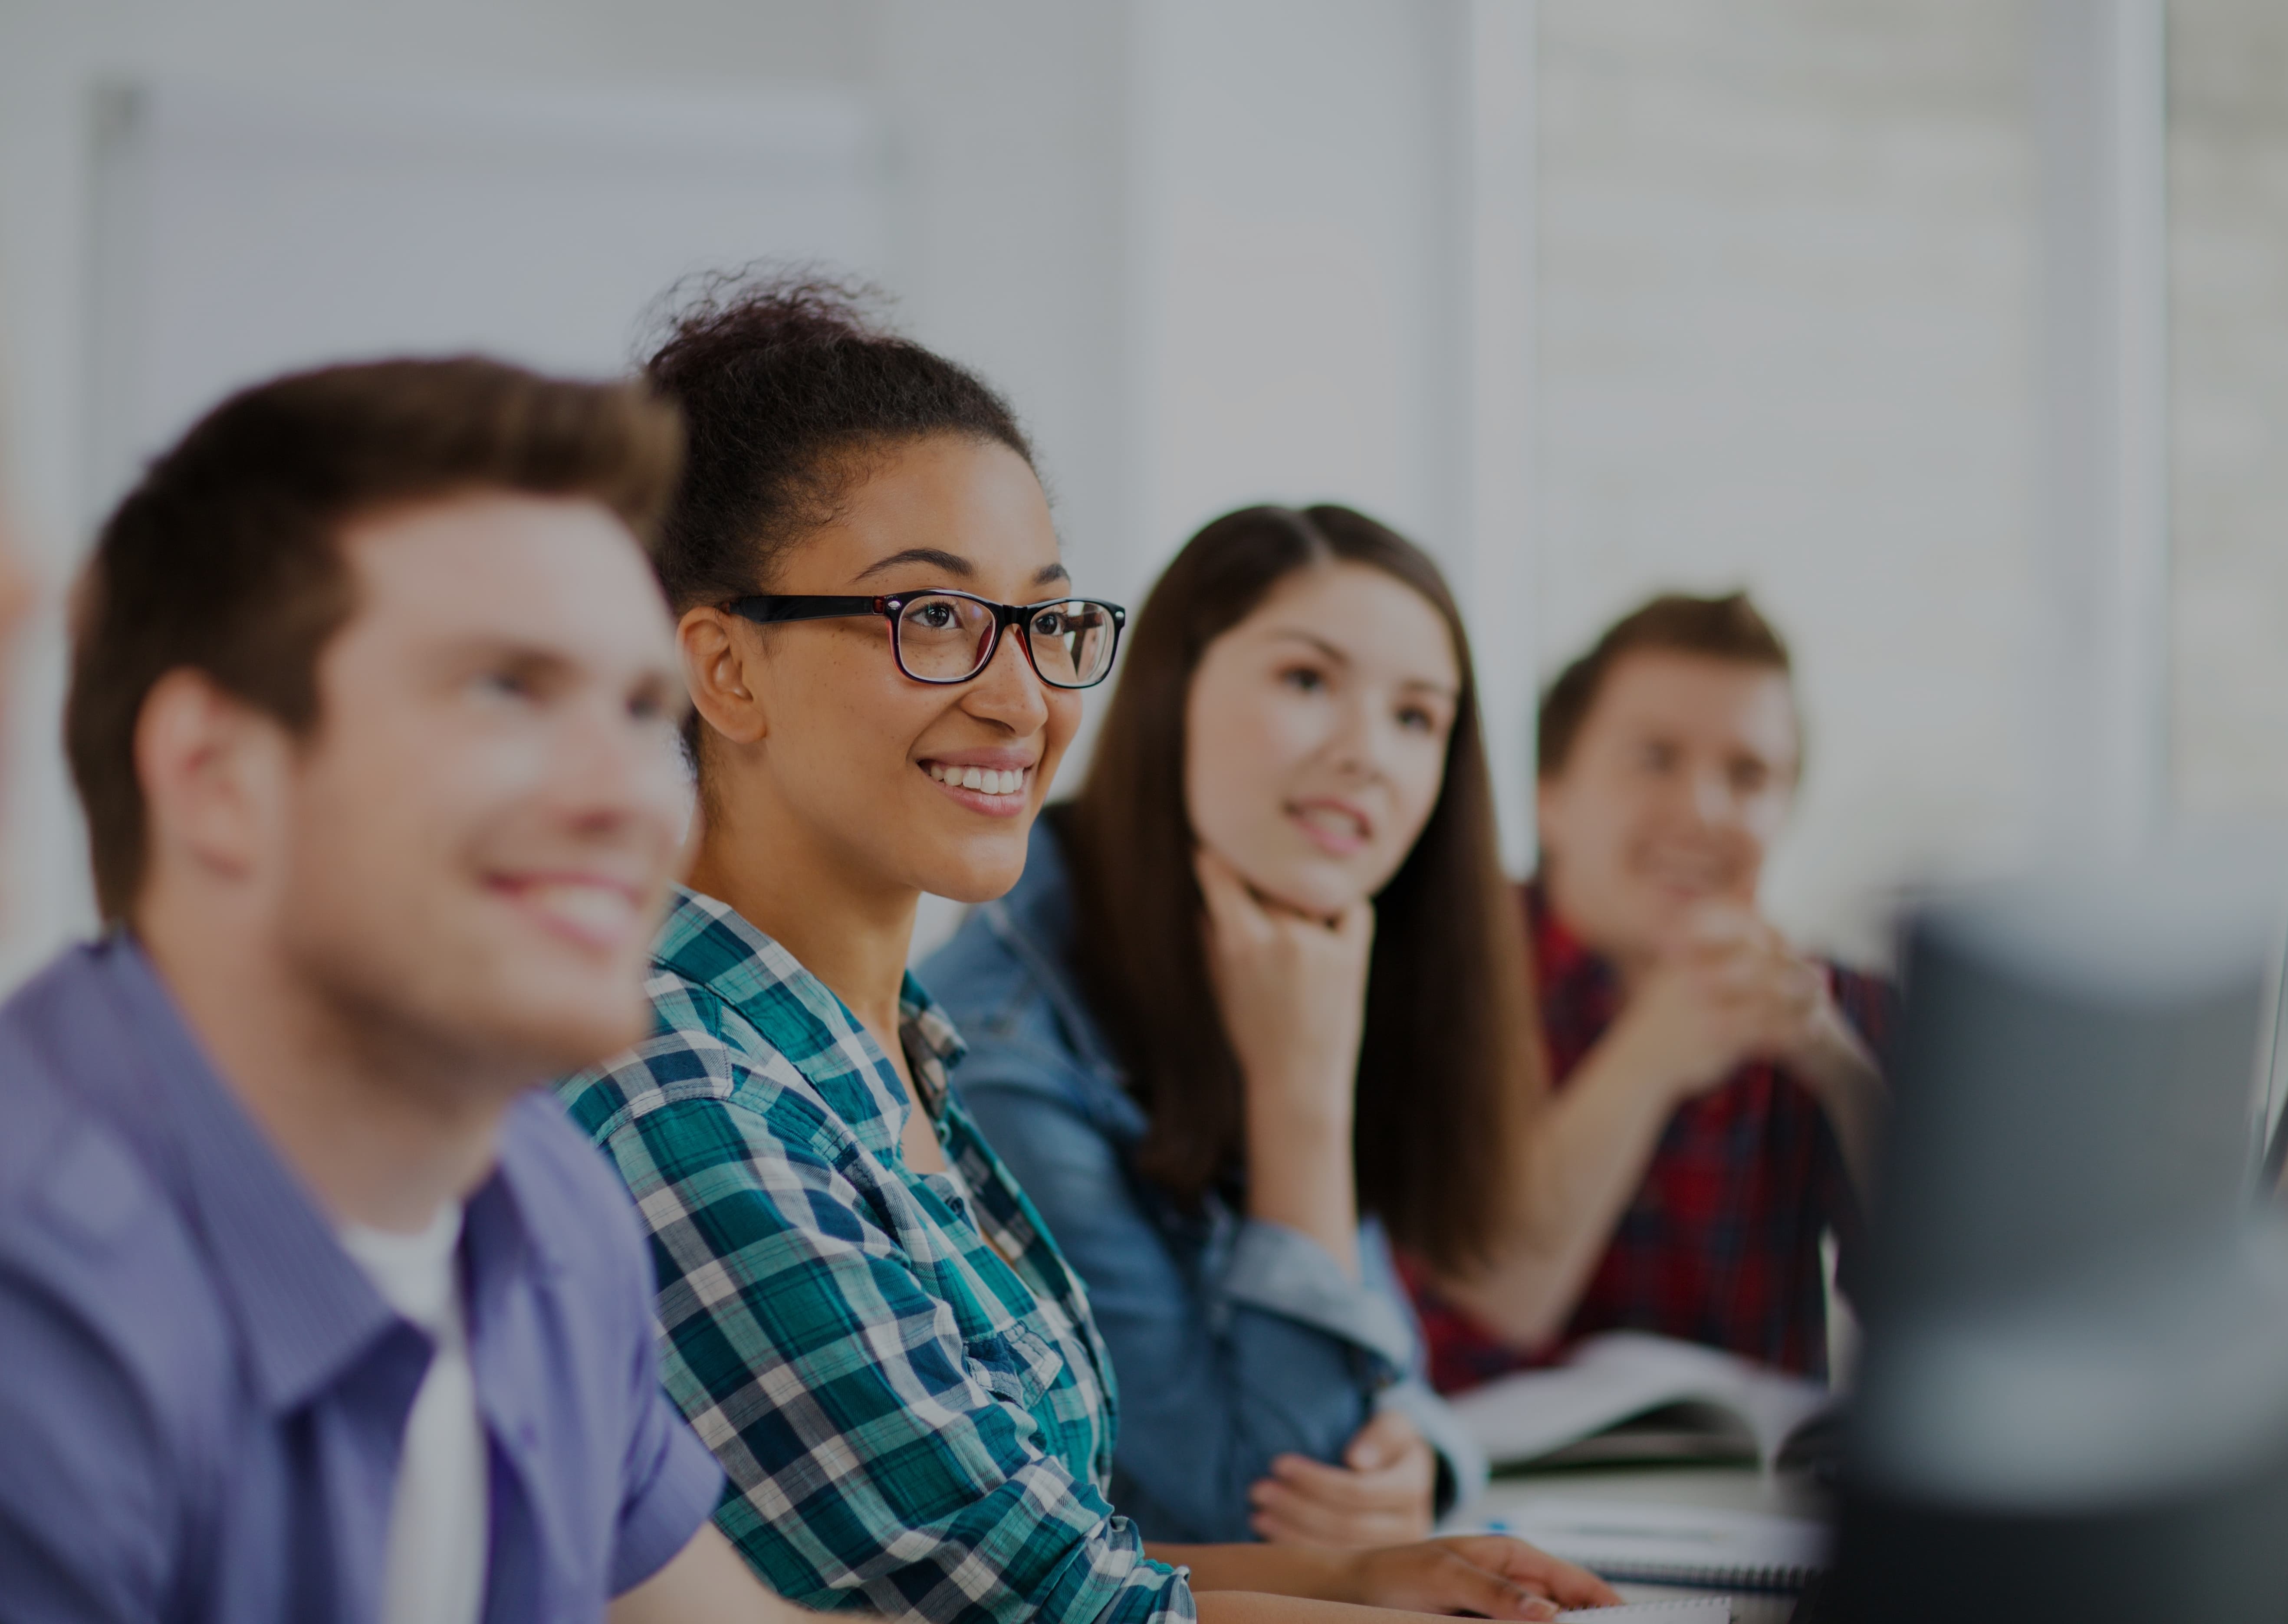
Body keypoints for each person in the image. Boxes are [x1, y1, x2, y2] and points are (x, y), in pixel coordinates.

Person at [553, 276, 1614, 1624]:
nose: (1021, 699)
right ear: (725, 669)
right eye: (930, 619)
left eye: (1045, 623)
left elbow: (1041, 1554)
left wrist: (1357, 1570)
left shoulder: (882, 1058)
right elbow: (1043, 1619)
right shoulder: (683, 1090)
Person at [0, 357, 855, 1621]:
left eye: (637, 709)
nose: (629, 797)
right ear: (215, 775)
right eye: (506, 689)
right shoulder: (40, 1300)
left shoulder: (547, 1199)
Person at [920, 504, 1533, 1546]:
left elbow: (1382, 1385)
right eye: (1306, 682)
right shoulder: (1003, 1049)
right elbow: (1253, 1506)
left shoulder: (1295, 952)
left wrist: (1427, 1460)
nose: (1366, 756)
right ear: (1172, 694)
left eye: (1415, 718)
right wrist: (1300, 1106)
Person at [1407, 592, 1896, 1390]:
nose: (1703, 812)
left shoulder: (1838, 1009)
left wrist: (1841, 1074)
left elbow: (1960, 1320)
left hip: (1740, 1503)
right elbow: (1466, 1321)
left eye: (1749, 776)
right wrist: (1647, 1059)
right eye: (1654, 759)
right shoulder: (1441, 975)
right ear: (1550, 796)